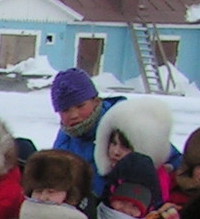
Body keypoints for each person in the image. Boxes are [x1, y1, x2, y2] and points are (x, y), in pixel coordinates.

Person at [49, 68, 181, 199]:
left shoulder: (125, 123)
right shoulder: (64, 139)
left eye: (80, 106)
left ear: (96, 101)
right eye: (65, 110)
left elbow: (172, 159)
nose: (73, 115)